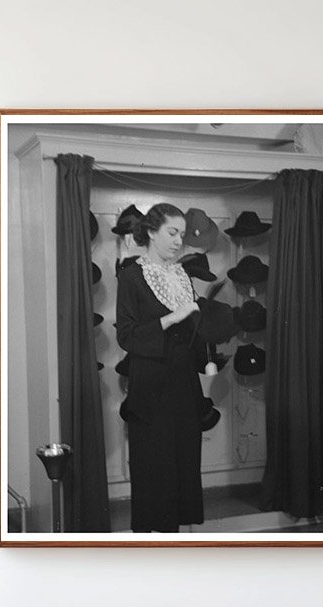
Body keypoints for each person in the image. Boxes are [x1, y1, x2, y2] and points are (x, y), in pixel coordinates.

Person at [116, 203, 204, 532]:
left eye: (182, 234)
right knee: (155, 467)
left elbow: (192, 330)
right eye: (172, 232)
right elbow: (127, 336)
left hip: (183, 385)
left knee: (184, 464)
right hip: (151, 388)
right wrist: (173, 317)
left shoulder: (181, 275)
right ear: (151, 232)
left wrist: (207, 329)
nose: (179, 240)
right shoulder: (131, 276)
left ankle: (176, 547)